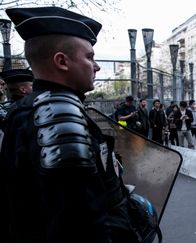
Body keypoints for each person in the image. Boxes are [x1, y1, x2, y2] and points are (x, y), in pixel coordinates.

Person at [0, 7, 142, 243]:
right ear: (62, 61)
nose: (95, 66)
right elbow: (80, 223)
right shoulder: (57, 113)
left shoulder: (38, 108)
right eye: (89, 57)